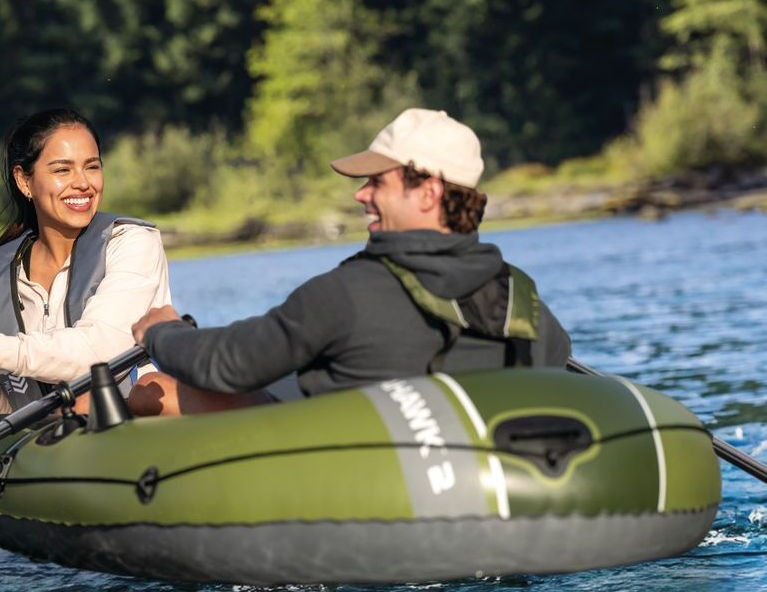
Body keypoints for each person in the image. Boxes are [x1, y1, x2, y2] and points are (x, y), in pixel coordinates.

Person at [128, 108, 571, 416]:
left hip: (357, 484)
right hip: (490, 491)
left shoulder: (349, 294)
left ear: (429, 193)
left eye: (377, 182)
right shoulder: (523, 300)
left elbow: (226, 364)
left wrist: (163, 332)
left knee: (156, 393)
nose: (361, 194)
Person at [0, 107, 171, 413]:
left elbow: (96, 354)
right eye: (62, 170)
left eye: (92, 167)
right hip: (50, 438)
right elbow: (15, 405)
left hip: (131, 425)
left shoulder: (132, 243)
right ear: (24, 181)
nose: (83, 183)